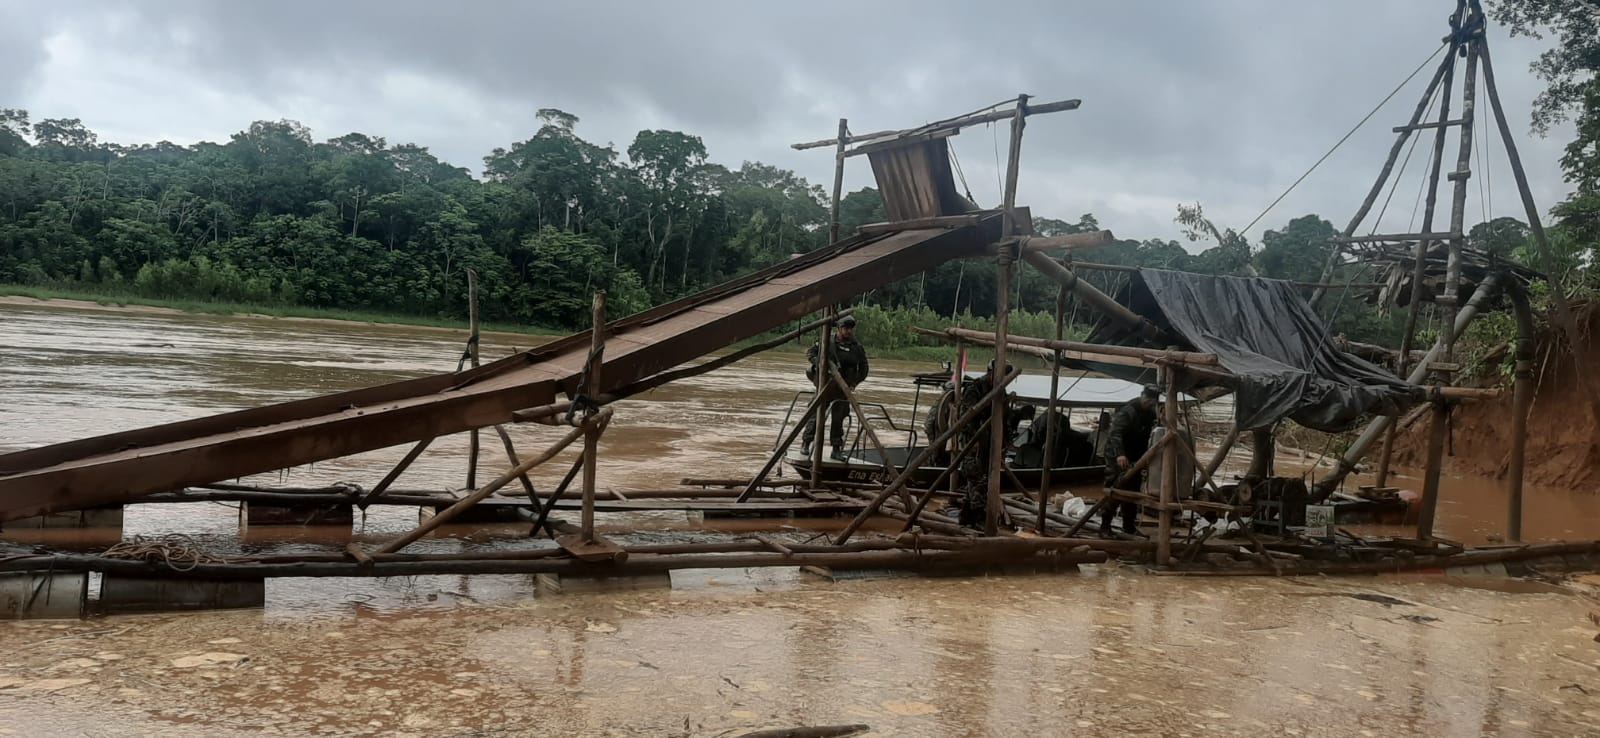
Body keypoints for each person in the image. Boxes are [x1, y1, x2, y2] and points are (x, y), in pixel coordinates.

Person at [802, 314, 869, 460]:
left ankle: (836, 449)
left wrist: (854, 383)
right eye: (845, 328)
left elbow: (864, 368)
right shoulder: (827, 342)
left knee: (838, 419)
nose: (848, 331)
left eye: (850, 328)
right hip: (825, 387)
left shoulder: (857, 347)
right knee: (814, 416)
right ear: (839, 328)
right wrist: (820, 363)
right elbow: (811, 353)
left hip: (843, 389)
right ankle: (806, 444)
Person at [1099, 384, 1161, 537]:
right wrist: (1120, 454)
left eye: (1152, 401)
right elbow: (1115, 434)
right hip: (1118, 455)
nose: (1149, 403)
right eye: (1147, 399)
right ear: (1142, 395)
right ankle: (1105, 526)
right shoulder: (1127, 411)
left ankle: (1129, 526)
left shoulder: (1152, 413)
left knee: (1133, 491)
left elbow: (1152, 434)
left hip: (1136, 456)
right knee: (1116, 488)